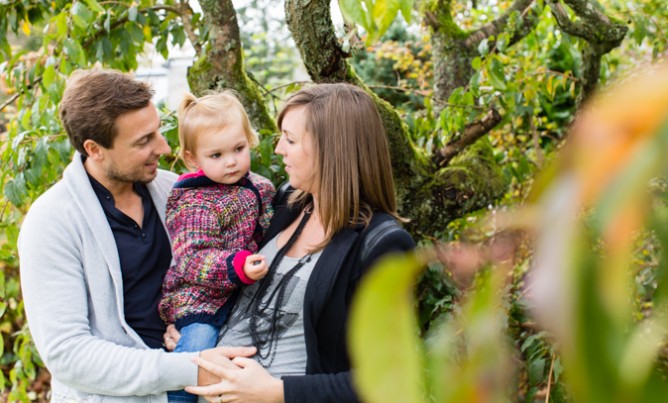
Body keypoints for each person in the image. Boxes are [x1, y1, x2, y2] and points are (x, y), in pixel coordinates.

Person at [165, 82, 416, 402]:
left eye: (291, 139)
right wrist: (191, 328)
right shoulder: (284, 203)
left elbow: (389, 379)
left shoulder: (382, 245)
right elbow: (210, 261)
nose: (279, 148)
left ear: (331, 150)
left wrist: (276, 392)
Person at [17, 68, 254, 403]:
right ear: (95, 149)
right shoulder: (52, 222)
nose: (164, 145)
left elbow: (216, 272)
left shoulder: (177, 192)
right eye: (144, 141)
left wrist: (189, 323)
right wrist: (185, 367)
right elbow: (68, 354)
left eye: (157, 131)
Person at [159, 91, 275, 402]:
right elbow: (192, 258)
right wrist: (237, 266)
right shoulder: (194, 200)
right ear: (192, 158)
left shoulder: (261, 187)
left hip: (239, 293)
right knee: (197, 349)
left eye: (238, 148)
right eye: (216, 156)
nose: (231, 162)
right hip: (198, 296)